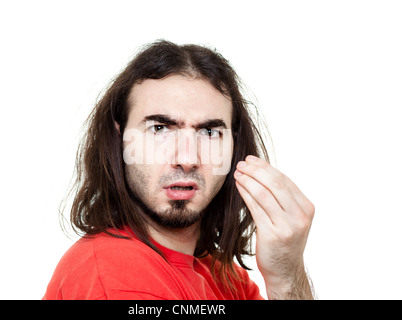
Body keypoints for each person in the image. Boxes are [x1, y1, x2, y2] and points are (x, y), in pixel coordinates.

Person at [43, 40, 315, 300]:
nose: (187, 159)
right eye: (159, 128)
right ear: (120, 140)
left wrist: (286, 275)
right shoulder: (116, 277)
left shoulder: (226, 278)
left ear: (235, 147)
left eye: (209, 132)